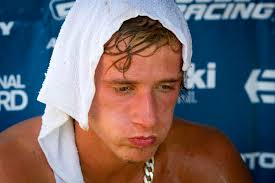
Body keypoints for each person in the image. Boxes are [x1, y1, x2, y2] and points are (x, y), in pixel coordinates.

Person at [0, 0, 253, 182]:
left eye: (166, 86)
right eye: (123, 88)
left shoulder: (209, 164)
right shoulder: (11, 168)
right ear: (77, 84)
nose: (149, 119)